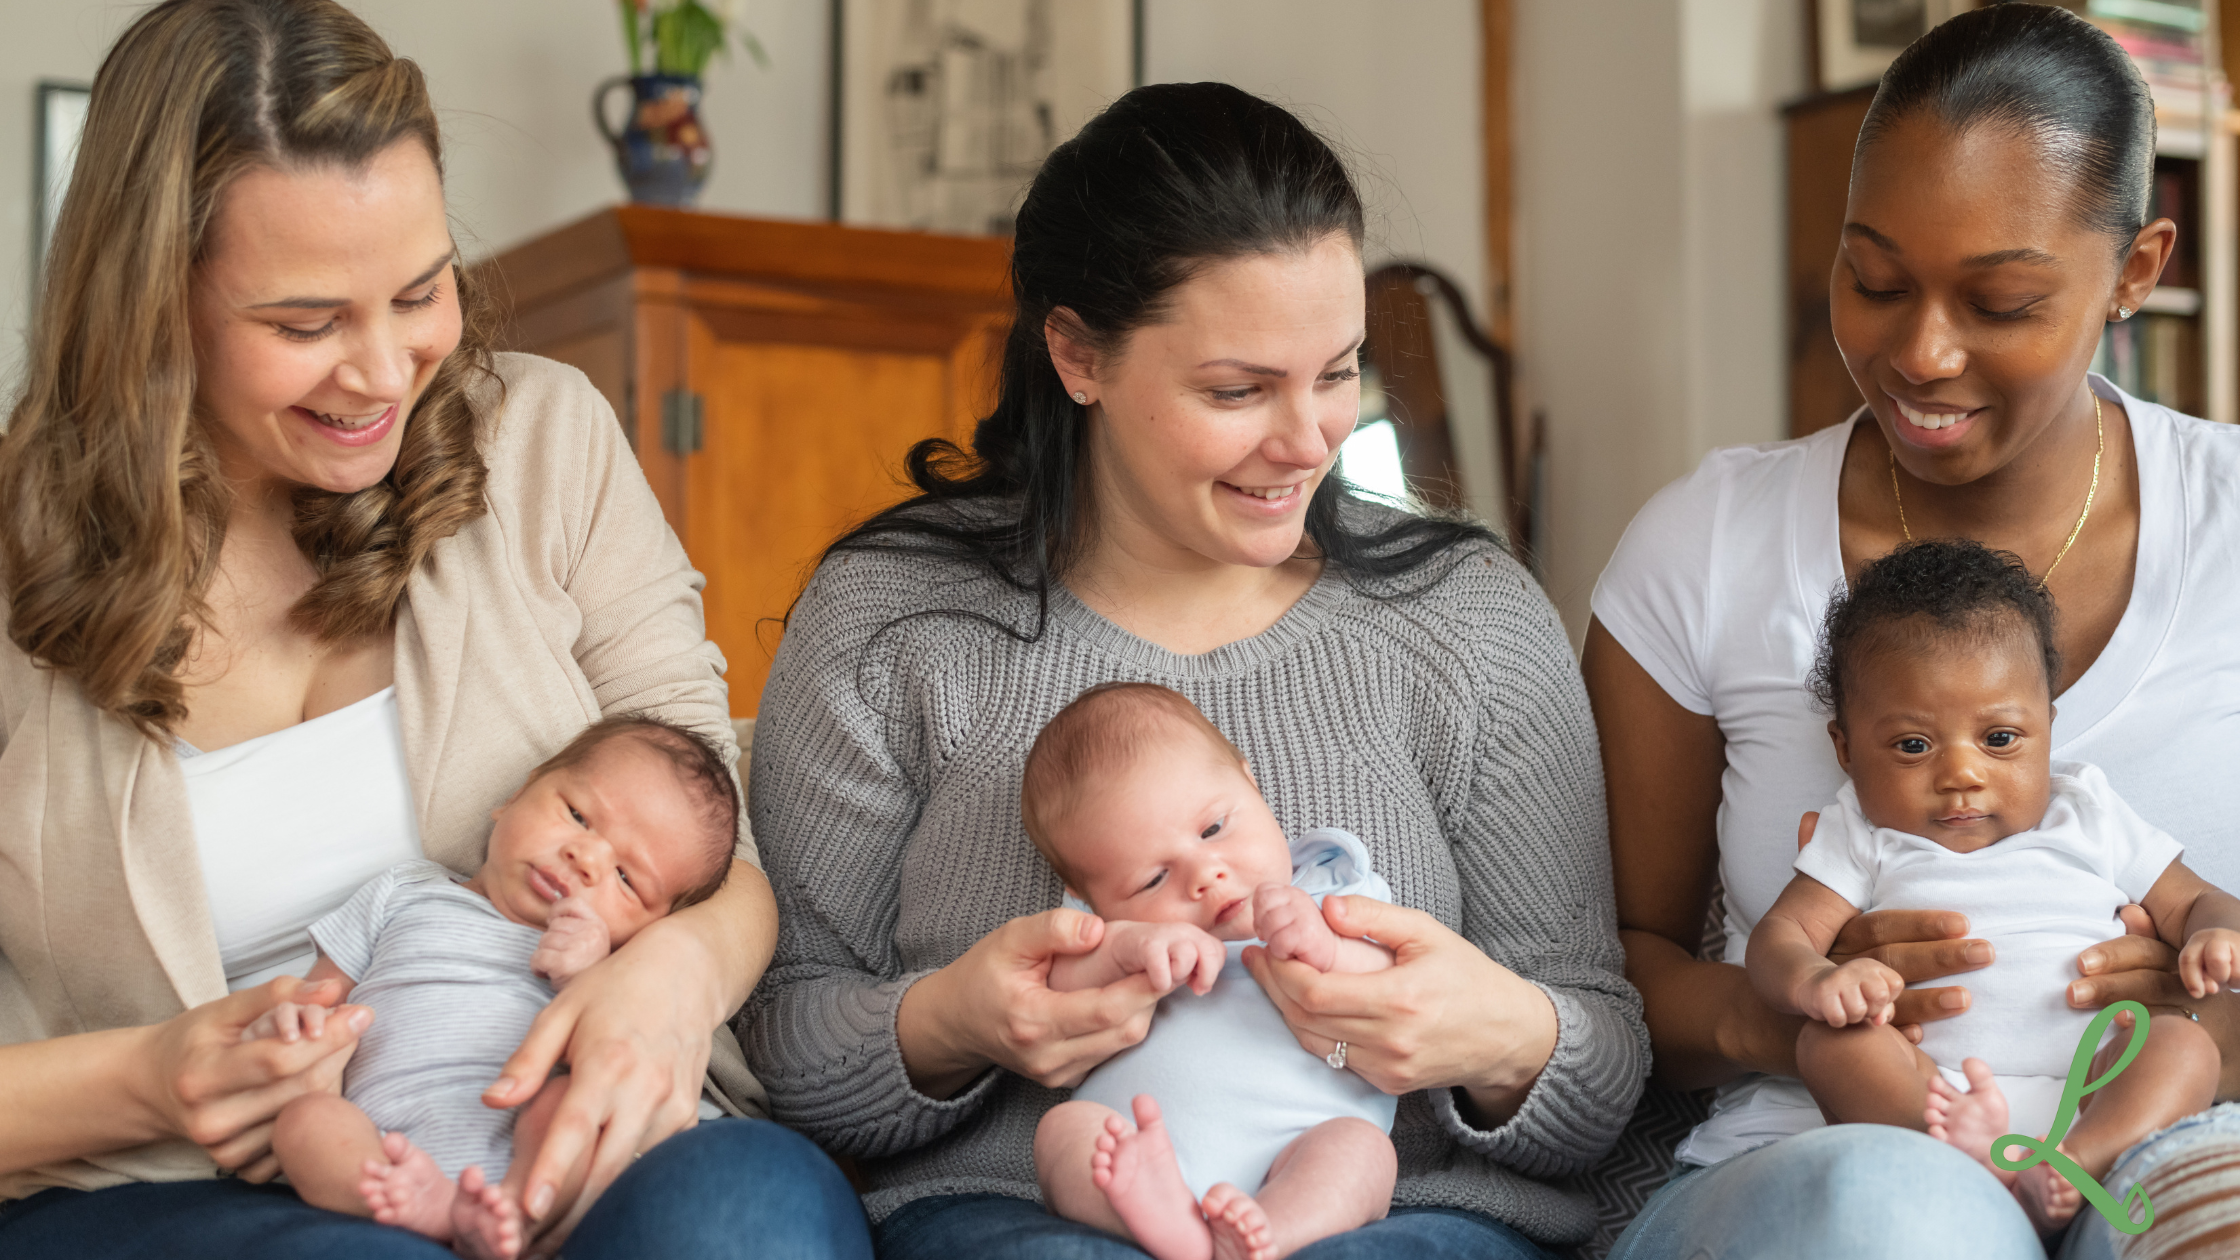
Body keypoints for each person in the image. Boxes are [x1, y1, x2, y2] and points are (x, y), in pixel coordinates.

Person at [0, 3, 870, 1258]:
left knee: (747, 1223)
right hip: (173, 1193)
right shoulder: (18, 553)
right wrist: (147, 1079)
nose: (381, 373)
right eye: (304, 324)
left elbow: (716, 830)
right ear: (153, 309)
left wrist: (674, 979)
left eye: (420, 291)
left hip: (573, 1122)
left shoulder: (544, 442)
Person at [741, 81, 1647, 1260]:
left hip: (1401, 1222)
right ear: (1077, 355)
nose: (1308, 440)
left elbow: (1605, 1070)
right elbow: (783, 1042)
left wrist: (1498, 1038)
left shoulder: (1466, 619)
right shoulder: (893, 620)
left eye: (1338, 371)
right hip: (1030, 1220)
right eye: (1236, 390)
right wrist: (953, 1022)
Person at [1590, 7, 2240, 1258]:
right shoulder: (1703, 548)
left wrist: (2212, 1008)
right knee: (1900, 1223)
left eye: (2000, 302)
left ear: (2135, 272)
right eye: (1873, 282)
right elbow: (1602, 980)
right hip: (1819, 1161)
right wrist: (1804, 1015)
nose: (1920, 353)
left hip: (2159, 1133)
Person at [1744, 540, 2234, 1236]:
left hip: (2094, 1081)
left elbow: (2195, 900)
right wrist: (1815, 982)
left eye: (2000, 738)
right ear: (1846, 749)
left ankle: (2072, 1165)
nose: (1962, 775)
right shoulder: (1860, 833)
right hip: (1934, 1091)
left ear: (2049, 727)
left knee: (2185, 1045)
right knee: (1829, 1045)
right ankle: (1960, 1165)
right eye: (1914, 745)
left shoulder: (2087, 811)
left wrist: (2215, 933)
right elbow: (1783, 935)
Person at [257, 716, 739, 1259]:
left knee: (568, 1105)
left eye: (627, 878)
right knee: (303, 1122)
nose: (586, 858)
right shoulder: (402, 891)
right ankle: (421, 1209)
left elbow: (612, 1049)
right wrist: (298, 1021)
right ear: (515, 796)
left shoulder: (613, 967)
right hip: (374, 1143)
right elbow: (317, 996)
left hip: (522, 1152)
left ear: (652, 927)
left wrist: (586, 975)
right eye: (578, 815)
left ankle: (516, 1212)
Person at [1022, 683, 1399, 1260]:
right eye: (1153, 880)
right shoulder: (1104, 938)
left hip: (1301, 1141)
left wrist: (1325, 947)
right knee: (1062, 1133)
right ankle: (1169, 1228)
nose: (1204, 876)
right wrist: (1128, 950)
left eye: (1214, 829)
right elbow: (1053, 1001)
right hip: (1140, 1148)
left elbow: (1395, 984)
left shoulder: (1334, 890)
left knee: (1364, 1152)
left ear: (1251, 782)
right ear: (1088, 898)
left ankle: (1270, 1233)